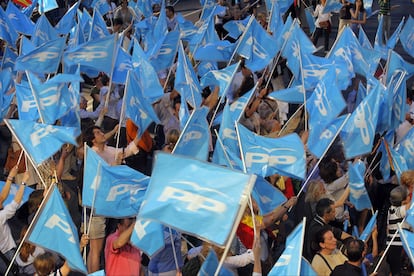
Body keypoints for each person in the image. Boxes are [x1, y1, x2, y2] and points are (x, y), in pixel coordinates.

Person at [304, 198, 351, 262]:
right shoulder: (317, 229)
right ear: (326, 214)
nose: (335, 213)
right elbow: (339, 240)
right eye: (333, 211)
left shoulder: (324, 219)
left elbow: (340, 233)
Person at [0, 167, 28, 274]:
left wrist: (10, 177)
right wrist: (23, 182)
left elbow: (2, 198)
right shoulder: (1, 217)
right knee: (16, 271)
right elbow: (15, 203)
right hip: (7, 252)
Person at [386, 185, 411, 276]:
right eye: (409, 195)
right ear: (403, 200)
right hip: (399, 249)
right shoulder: (398, 211)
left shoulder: (391, 209)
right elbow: (410, 206)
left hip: (393, 247)